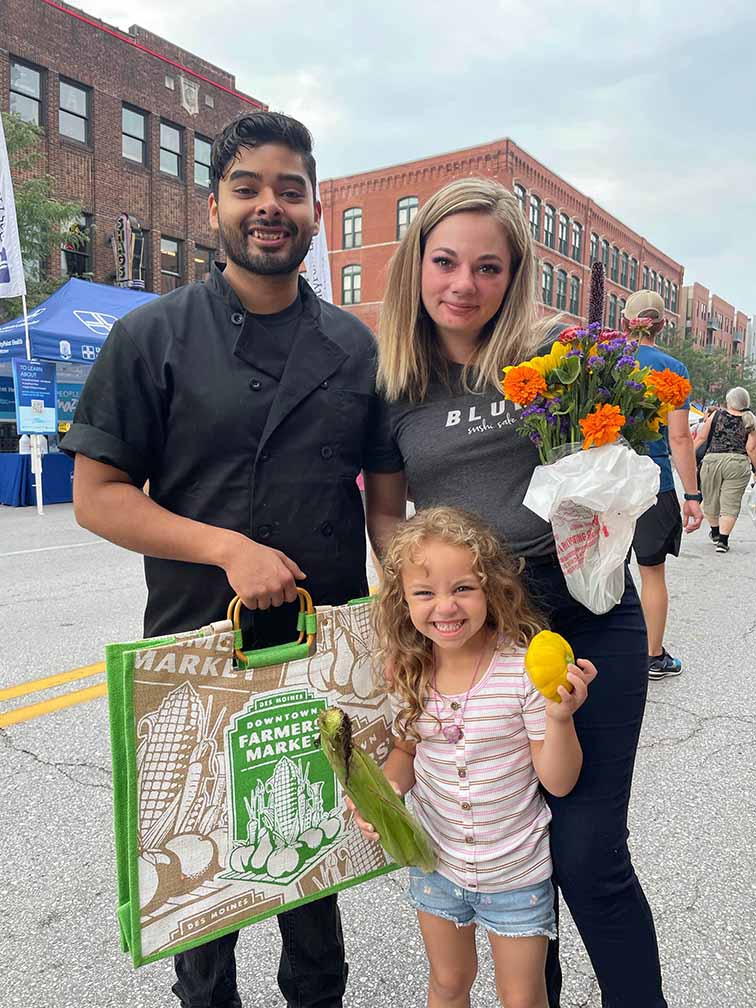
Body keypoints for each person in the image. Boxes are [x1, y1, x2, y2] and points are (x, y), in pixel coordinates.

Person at [61, 111, 399, 1008]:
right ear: (214, 204)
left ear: (317, 211)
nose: (269, 207)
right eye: (248, 187)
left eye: (290, 190)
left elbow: (387, 502)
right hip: (195, 649)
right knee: (203, 895)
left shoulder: (355, 348)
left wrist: (410, 612)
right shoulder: (151, 336)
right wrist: (227, 548)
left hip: (324, 648)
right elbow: (97, 495)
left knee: (315, 866)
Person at [365, 177, 669, 1007]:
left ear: (516, 274)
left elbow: (626, 473)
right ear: (416, 264)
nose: (464, 285)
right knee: (515, 859)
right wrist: (427, 610)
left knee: (587, 854)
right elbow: (389, 514)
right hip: (472, 632)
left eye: (489, 267)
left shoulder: (558, 352)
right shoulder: (393, 382)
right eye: (446, 261)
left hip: (577, 617)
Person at [352, 506, 596, 1008]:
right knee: (446, 984)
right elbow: (404, 752)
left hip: (516, 876)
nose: (445, 607)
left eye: (463, 587)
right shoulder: (409, 673)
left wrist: (559, 718)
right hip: (435, 867)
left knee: (522, 998)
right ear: (402, 602)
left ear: (494, 589)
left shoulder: (520, 669)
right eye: (424, 593)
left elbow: (559, 781)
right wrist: (381, 796)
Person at [620, 290, 703, 679]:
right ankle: (653, 657)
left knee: (603, 569)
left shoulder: (605, 360)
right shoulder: (673, 369)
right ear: (662, 325)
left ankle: (604, 651)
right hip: (653, 480)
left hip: (605, 480)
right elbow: (680, 438)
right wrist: (692, 495)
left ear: (625, 322)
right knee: (651, 572)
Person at [693, 386, 756, 553]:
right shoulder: (750, 419)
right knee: (731, 502)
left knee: (711, 498)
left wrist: (686, 455)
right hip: (738, 462)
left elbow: (701, 437)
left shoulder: (717, 414)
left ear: (729, 401)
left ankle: (714, 533)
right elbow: (751, 449)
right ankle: (723, 541)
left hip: (712, 460)